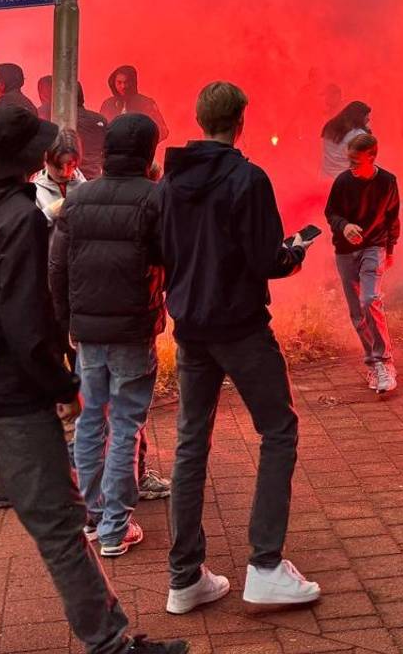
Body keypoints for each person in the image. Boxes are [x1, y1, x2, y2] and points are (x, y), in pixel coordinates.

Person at [0, 106, 187, 654]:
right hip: (13, 401)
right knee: (62, 529)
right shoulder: (19, 219)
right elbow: (25, 324)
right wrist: (62, 388)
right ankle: (112, 645)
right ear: (27, 160)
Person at [159, 81, 319, 613]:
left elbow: (164, 249)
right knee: (278, 430)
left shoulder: (171, 179)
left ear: (200, 119)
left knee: (190, 443)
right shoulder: (248, 179)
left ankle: (184, 578)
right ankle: (266, 566)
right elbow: (263, 260)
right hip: (241, 328)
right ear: (241, 121)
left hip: (191, 329)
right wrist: (292, 255)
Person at [52, 113, 166, 558]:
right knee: (125, 425)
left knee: (89, 421)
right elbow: (169, 258)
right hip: (134, 329)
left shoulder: (77, 200)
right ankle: (116, 527)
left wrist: (67, 326)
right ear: (149, 154)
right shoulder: (155, 200)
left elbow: (56, 268)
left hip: (87, 333)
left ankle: (94, 518)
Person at [325, 132, 401, 394]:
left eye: (356, 162)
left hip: (374, 246)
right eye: (349, 161)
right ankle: (373, 364)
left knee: (370, 299)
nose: (351, 167)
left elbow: (392, 216)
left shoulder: (388, 181)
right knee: (357, 312)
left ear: (372, 156)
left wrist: (390, 249)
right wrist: (344, 226)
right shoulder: (343, 182)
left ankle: (384, 362)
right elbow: (331, 212)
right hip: (345, 251)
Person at [100, 65, 170, 141]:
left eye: (126, 82)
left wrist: (143, 144)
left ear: (133, 82)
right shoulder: (107, 105)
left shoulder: (146, 103)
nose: (123, 86)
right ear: (114, 83)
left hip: (138, 151)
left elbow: (162, 131)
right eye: (119, 83)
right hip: (113, 151)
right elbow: (100, 130)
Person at [34, 129, 87, 227]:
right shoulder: (34, 192)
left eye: (71, 165)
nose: (64, 173)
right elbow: (28, 231)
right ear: (46, 160)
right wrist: (49, 213)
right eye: (58, 166)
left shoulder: (85, 189)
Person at [320, 100, 371, 180]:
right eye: (366, 115)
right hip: (345, 182)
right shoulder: (358, 135)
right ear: (358, 117)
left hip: (325, 176)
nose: (368, 119)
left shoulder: (330, 126)